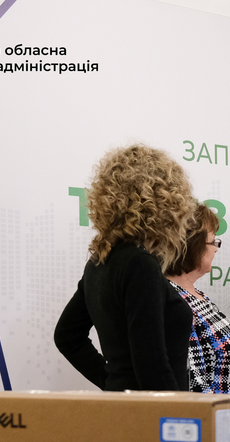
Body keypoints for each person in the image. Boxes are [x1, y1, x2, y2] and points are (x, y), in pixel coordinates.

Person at [54, 144, 195, 391]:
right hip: (154, 412)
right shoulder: (140, 265)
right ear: (166, 201)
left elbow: (67, 336)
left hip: (128, 407)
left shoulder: (100, 262)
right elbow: (152, 366)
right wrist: (178, 412)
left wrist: (113, 382)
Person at [166, 203, 230, 394]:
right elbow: (194, 383)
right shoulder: (174, 301)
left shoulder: (197, 296)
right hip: (214, 411)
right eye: (213, 242)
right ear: (193, 246)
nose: (216, 249)